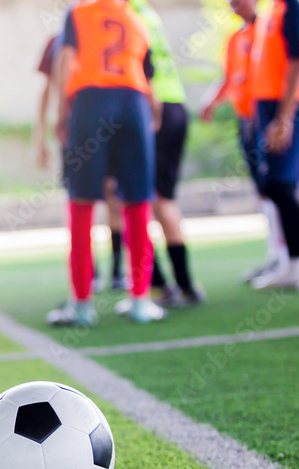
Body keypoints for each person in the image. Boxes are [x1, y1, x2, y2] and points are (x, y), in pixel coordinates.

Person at [48, 0, 164, 326]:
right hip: (134, 102)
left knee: (82, 202)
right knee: (138, 202)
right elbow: (147, 71)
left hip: (91, 101)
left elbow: (66, 58)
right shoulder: (136, 17)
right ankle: (140, 299)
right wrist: (152, 112)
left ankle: (82, 304)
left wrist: (61, 111)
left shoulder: (79, 13)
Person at [201, 0, 288, 284]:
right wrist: (211, 103)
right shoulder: (236, 39)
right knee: (263, 189)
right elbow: (229, 78)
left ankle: (290, 255)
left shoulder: (268, 28)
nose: (236, 5)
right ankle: (276, 255)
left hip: (266, 117)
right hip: (246, 120)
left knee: (278, 186)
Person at [35, 30, 128, 292]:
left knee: (112, 195)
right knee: (81, 199)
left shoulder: (105, 33)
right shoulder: (57, 40)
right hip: (74, 131)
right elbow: (46, 89)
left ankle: (118, 271)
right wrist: (40, 135)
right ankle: (89, 272)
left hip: (105, 126)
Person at [130, 0, 204, 308]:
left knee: (140, 199)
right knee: (162, 199)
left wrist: (152, 110)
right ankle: (181, 285)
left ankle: (165, 285)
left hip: (153, 108)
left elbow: (141, 64)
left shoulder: (127, 15)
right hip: (175, 105)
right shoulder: (148, 12)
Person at [247, 0, 299, 291]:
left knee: (280, 185)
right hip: (268, 106)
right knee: (273, 187)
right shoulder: (271, 11)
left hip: (284, 105)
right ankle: (293, 260)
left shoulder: (292, 8)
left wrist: (284, 118)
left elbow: (298, 60)